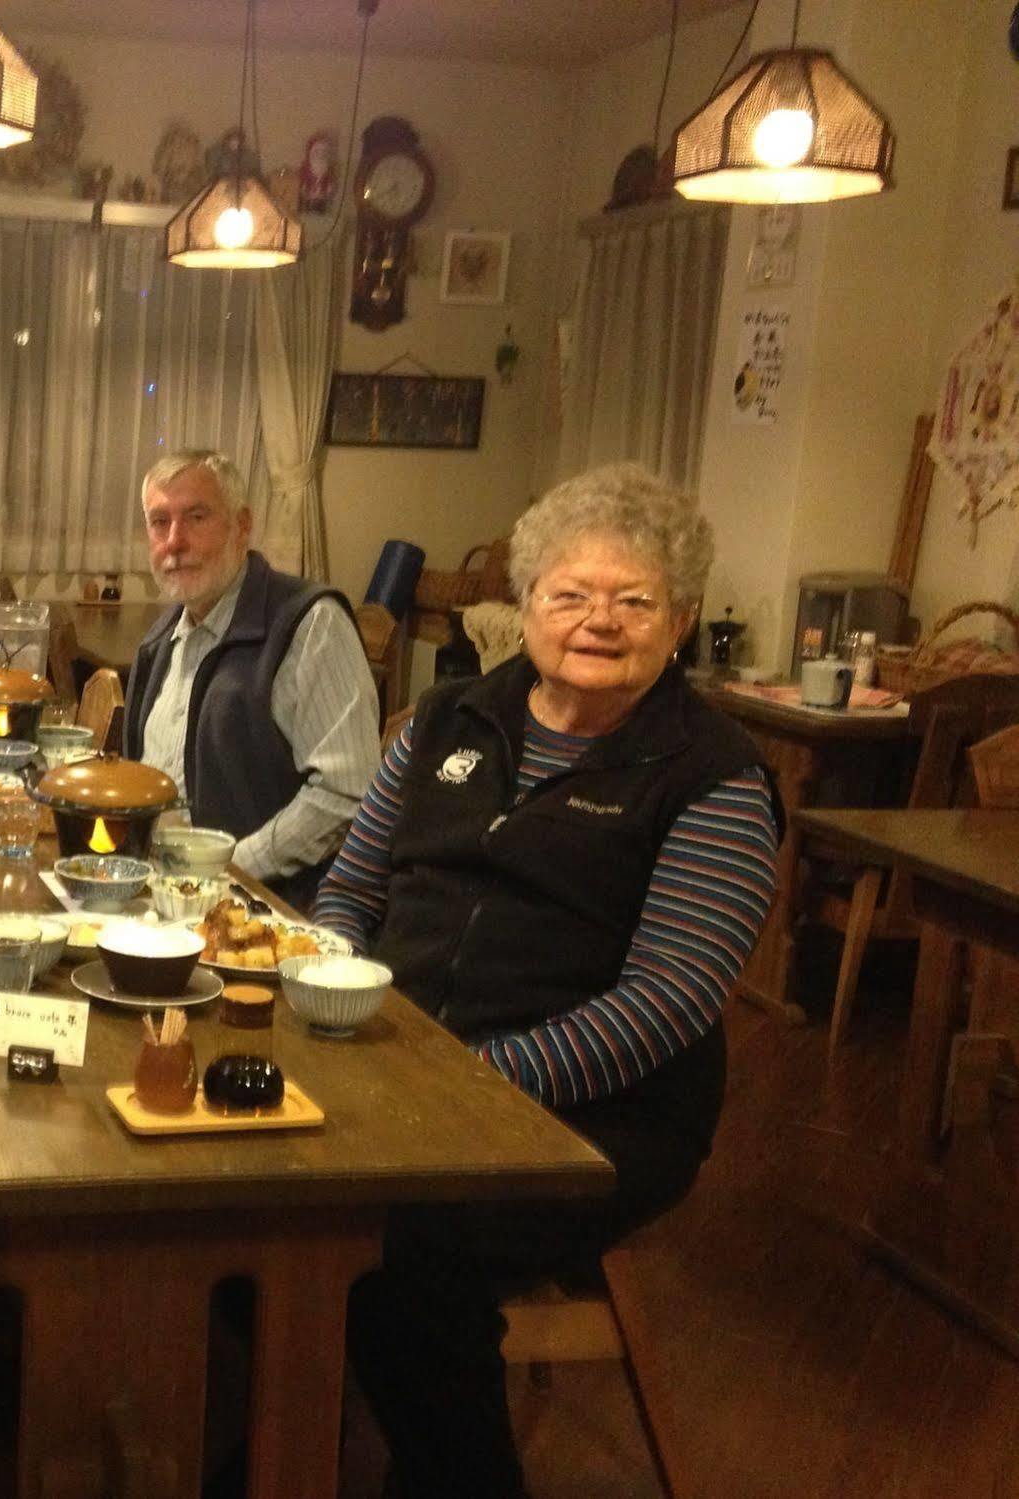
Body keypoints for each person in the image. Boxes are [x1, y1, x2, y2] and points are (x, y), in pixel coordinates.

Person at [311, 462, 783, 1498]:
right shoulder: (447, 718)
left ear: (683, 618)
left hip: (590, 1115)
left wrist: (467, 1080)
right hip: (402, 1069)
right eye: (569, 593)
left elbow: (664, 1004)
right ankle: (259, 1450)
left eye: (633, 598)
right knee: (241, 1204)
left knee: (397, 1256)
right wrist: (332, 987)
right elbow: (349, 887)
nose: (598, 620)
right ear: (522, 607)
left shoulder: (713, 777)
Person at [123, 449, 379, 908]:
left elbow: (347, 791)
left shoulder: (309, 624)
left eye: (196, 517)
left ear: (242, 526)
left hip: (265, 916)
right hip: (160, 900)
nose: (174, 542)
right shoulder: (160, 641)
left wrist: (227, 870)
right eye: (160, 522)